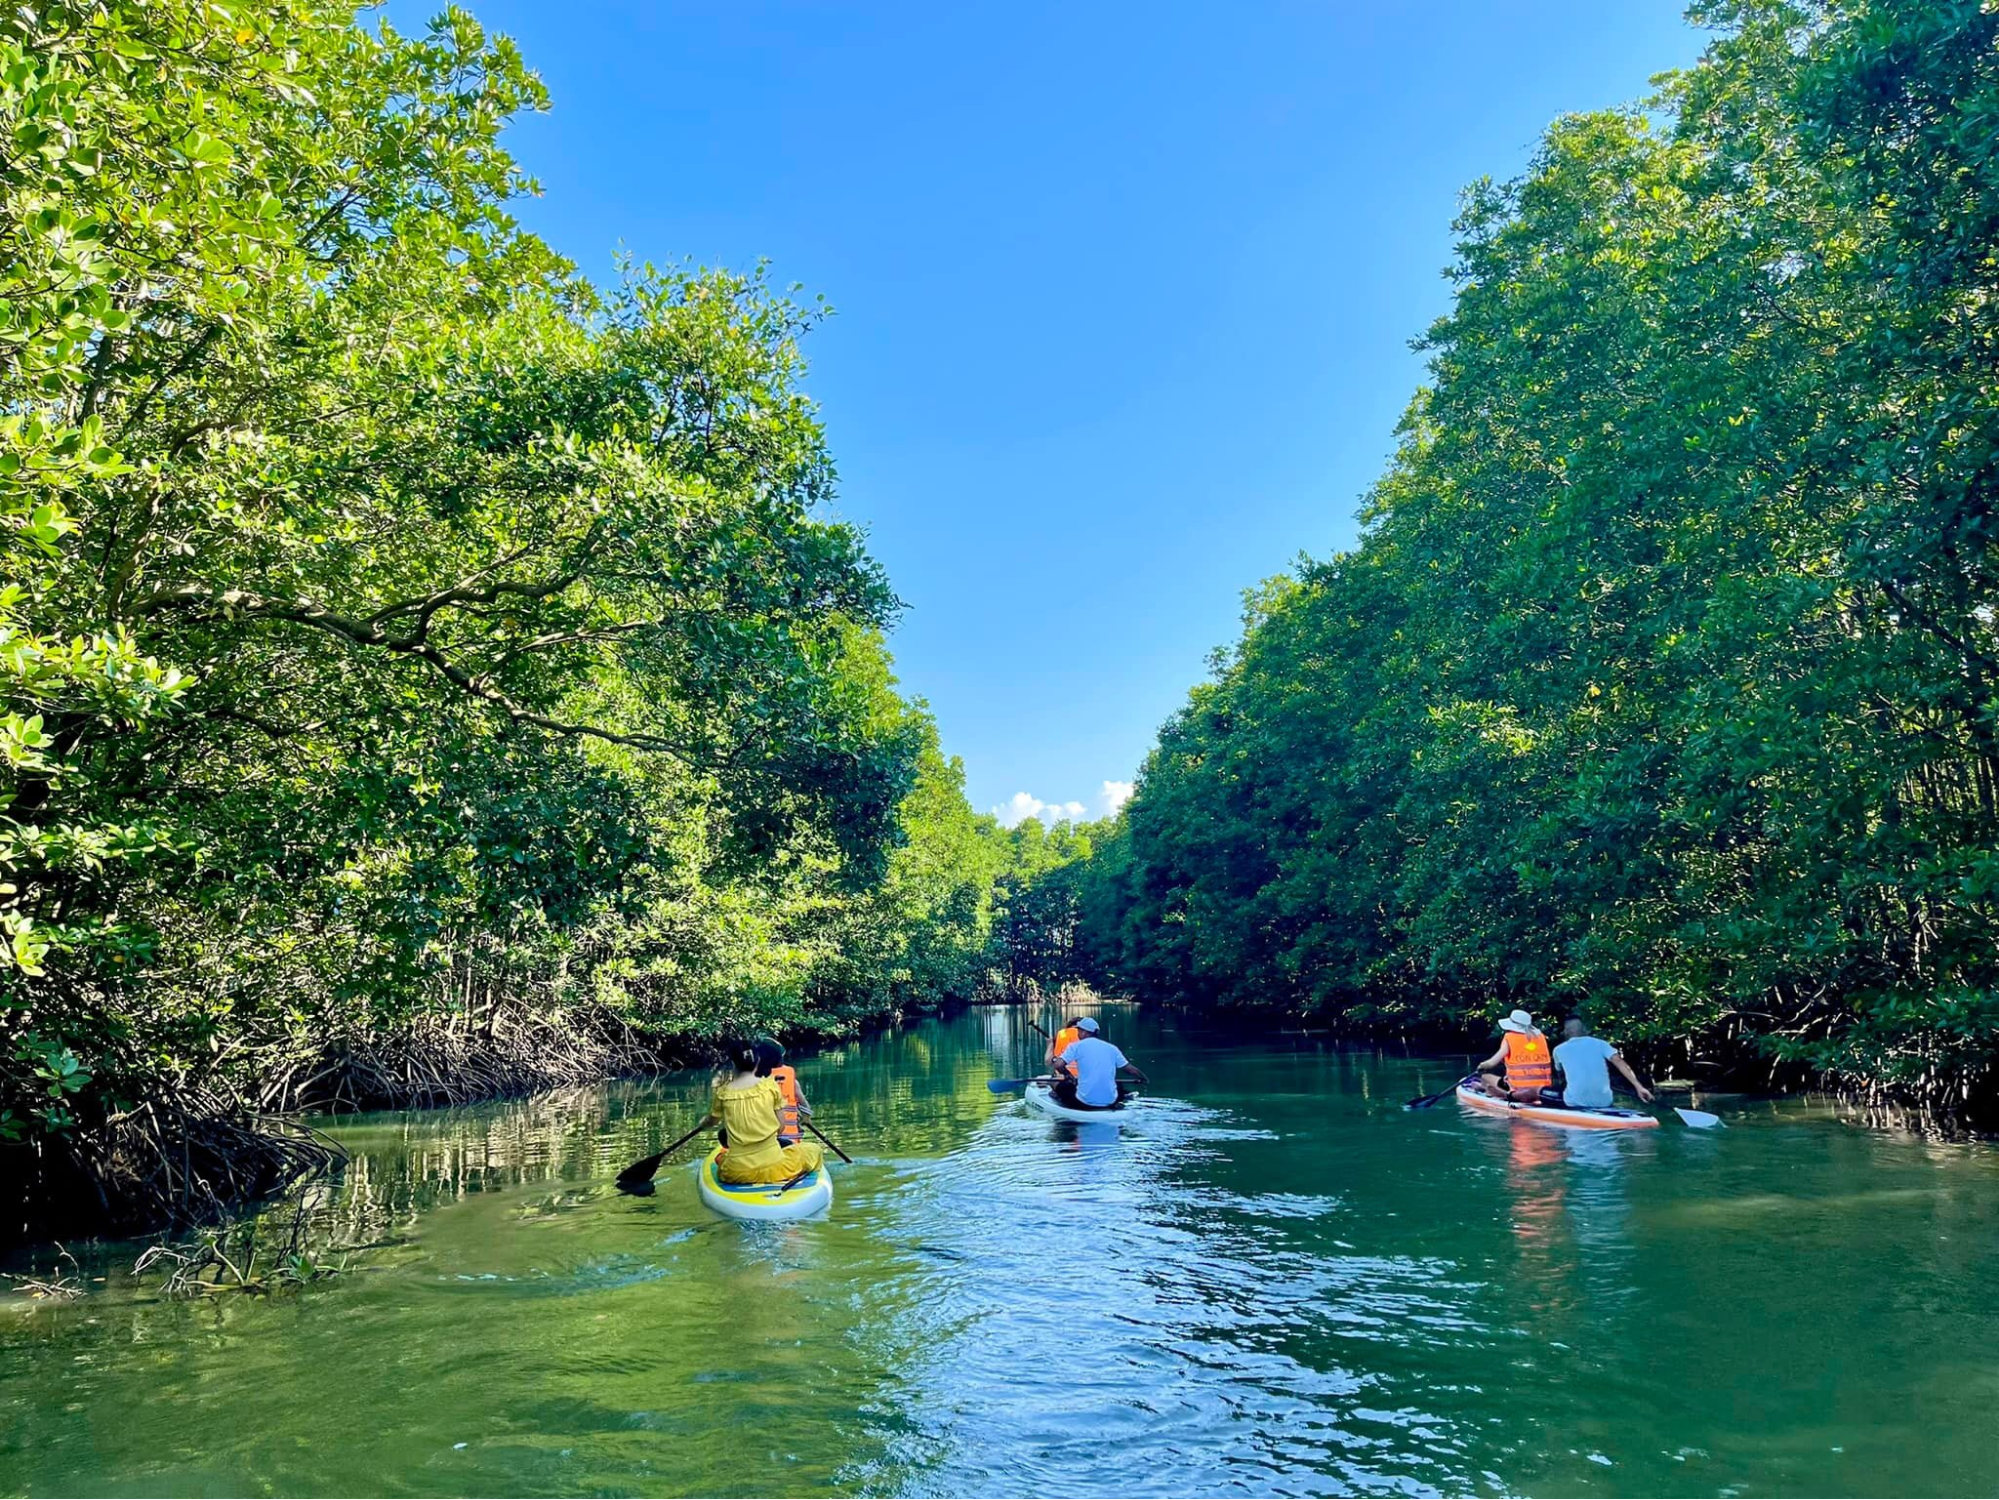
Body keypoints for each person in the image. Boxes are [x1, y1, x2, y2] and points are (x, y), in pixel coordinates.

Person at [694, 1039, 824, 1184]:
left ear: (733, 1064)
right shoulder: (770, 1087)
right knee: (813, 1150)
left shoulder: (723, 1093)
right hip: (773, 1168)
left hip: (736, 1173)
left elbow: (711, 1121)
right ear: (757, 1062)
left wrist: (703, 1123)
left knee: (722, 1158)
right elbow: (780, 1128)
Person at [1549, 1017, 1652, 1108]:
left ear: (1566, 1032)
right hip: (1604, 1102)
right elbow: (1619, 1061)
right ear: (1585, 1029)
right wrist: (1639, 1087)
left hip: (1574, 1102)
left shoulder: (1558, 1050)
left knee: (1547, 1093)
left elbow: (1559, 1073)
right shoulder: (1601, 1044)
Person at [1054, 1017, 1148, 1110]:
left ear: (1085, 1032)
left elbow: (1058, 1065)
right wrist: (1144, 1078)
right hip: (1111, 1101)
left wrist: (1068, 1075)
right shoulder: (1112, 1048)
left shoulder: (1076, 1046)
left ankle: (1065, 1107)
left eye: (1079, 1030)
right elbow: (1131, 1070)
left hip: (1084, 1102)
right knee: (1117, 1085)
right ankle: (1114, 1103)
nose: (1078, 1033)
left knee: (1062, 1087)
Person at [1475, 1010, 1554, 1101]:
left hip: (1518, 1089)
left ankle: (1485, 1090)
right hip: (1542, 1089)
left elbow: (1491, 1063)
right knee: (1504, 1079)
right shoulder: (1541, 1037)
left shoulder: (1509, 1037)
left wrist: (1481, 1066)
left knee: (1485, 1077)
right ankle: (1489, 1089)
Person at [754, 1036, 811, 1146]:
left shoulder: (752, 1081)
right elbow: (804, 1105)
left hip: (764, 1141)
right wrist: (805, 1118)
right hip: (790, 1140)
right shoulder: (791, 1080)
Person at [1046, 1017, 1086, 1082]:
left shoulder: (1061, 1033)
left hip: (1063, 1077)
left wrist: (1050, 1045)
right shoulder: (1087, 1035)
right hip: (1083, 1077)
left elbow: (1054, 1058)